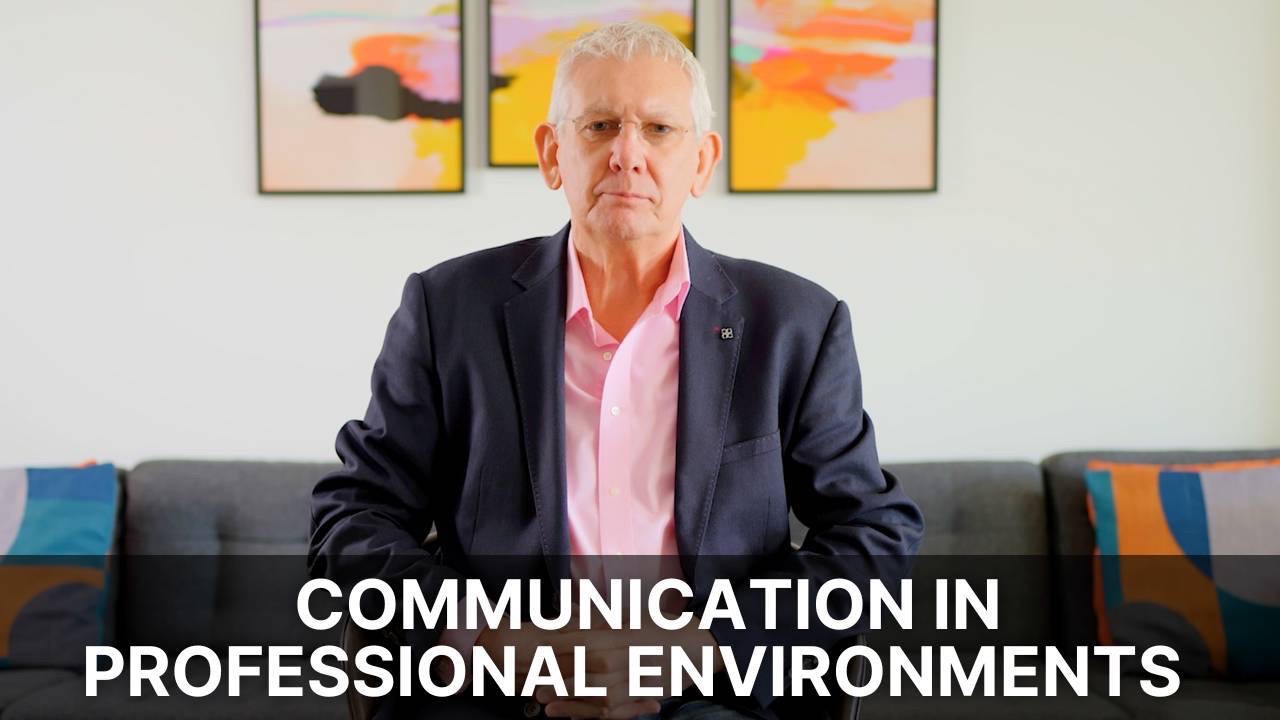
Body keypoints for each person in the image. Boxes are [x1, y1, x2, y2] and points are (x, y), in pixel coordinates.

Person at [309, 21, 923, 720]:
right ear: (552, 154)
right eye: (599, 125)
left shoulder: (795, 325)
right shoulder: (448, 308)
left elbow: (875, 531)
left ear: (702, 162)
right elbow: (350, 517)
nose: (627, 154)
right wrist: (486, 638)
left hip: (709, 696)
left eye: (659, 129)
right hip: (497, 695)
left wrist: (705, 646)